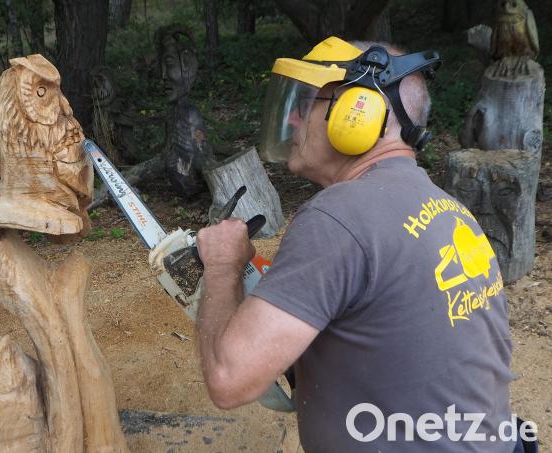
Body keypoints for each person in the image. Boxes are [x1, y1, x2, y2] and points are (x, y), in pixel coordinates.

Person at [194, 37, 521, 452]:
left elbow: (229, 379)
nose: (293, 121)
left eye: (306, 104)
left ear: (359, 112)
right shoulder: (447, 207)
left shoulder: (339, 216)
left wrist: (222, 266)